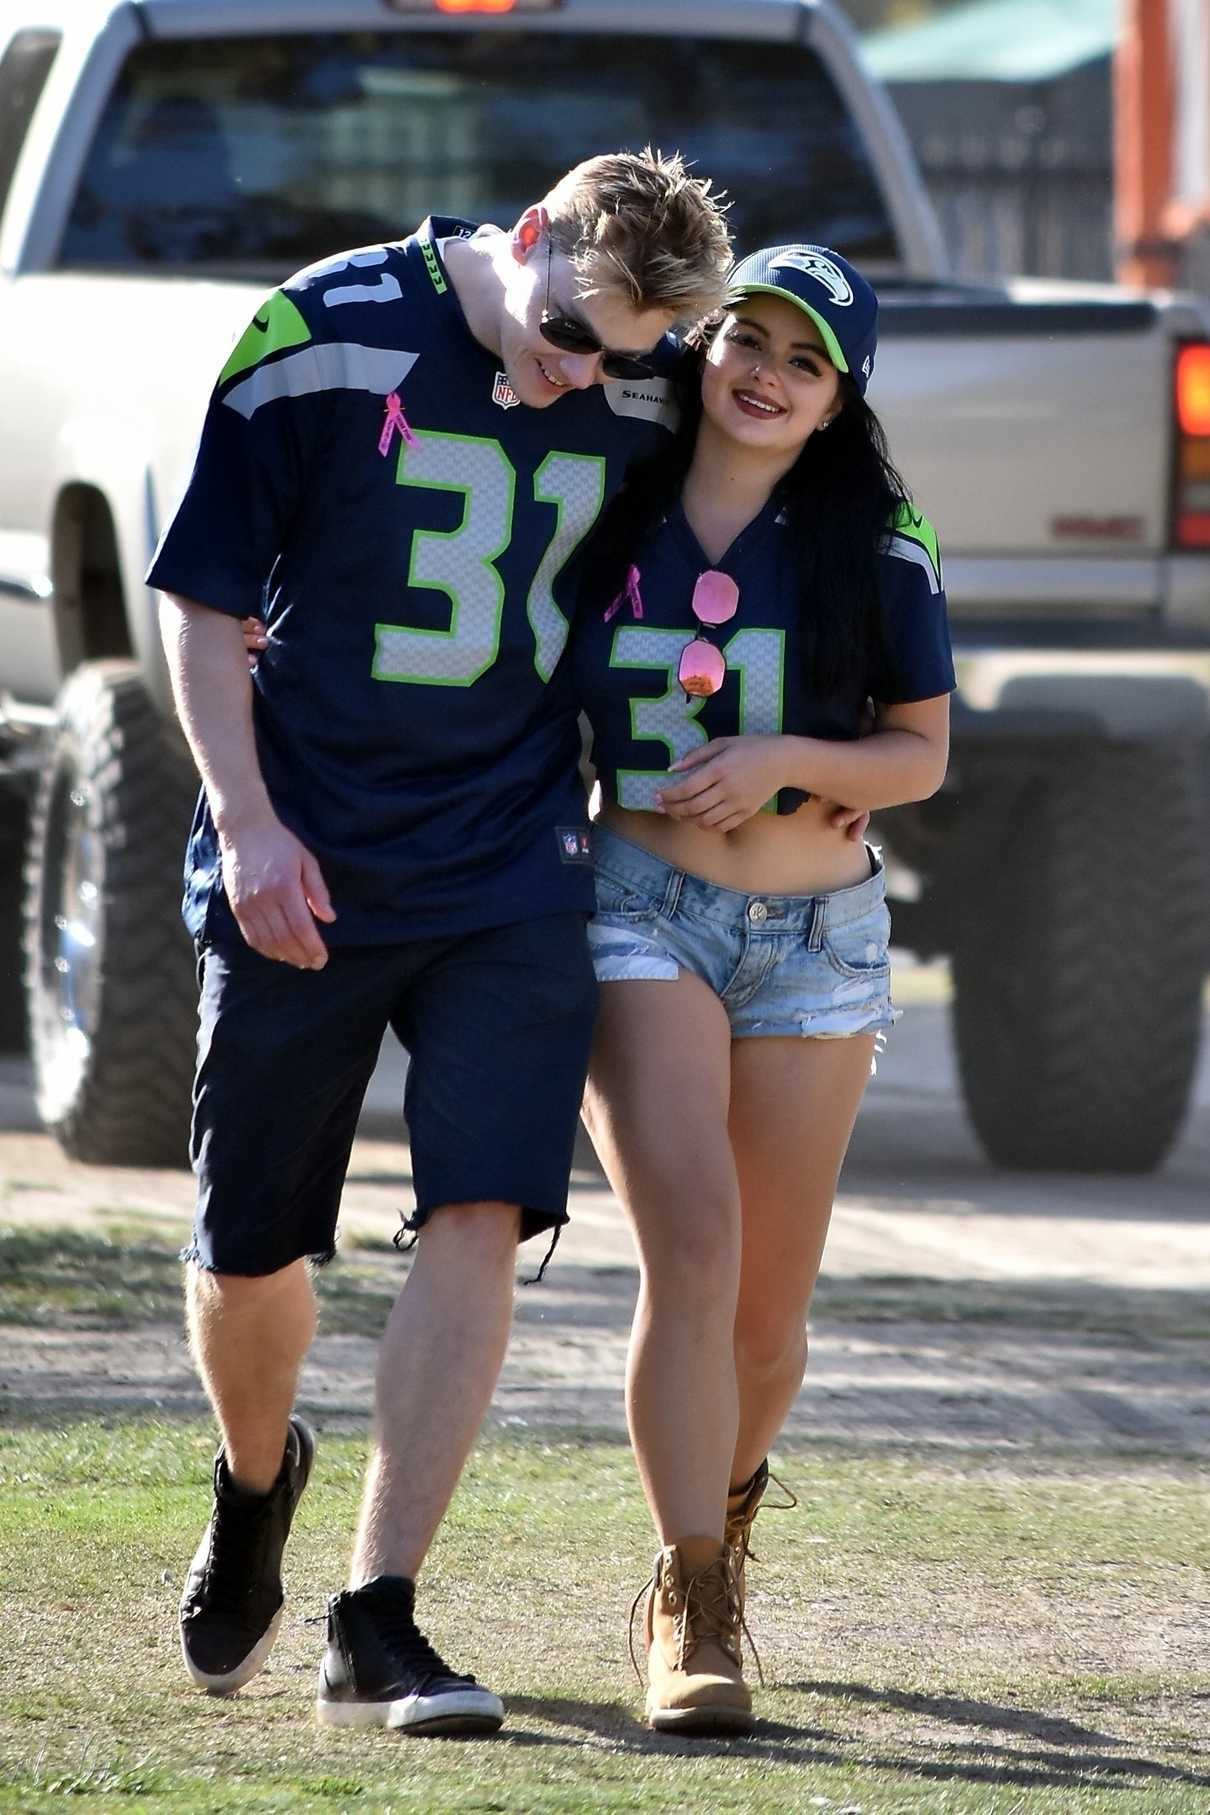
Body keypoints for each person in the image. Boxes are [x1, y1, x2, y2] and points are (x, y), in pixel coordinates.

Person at [148, 149, 733, 1737]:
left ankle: (376, 1610)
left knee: (481, 1203)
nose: (577, 377)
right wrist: (252, 822)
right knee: (252, 1248)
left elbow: (792, 487)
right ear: (527, 238)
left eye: (617, 357)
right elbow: (203, 606)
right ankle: (256, 1482)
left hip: (511, 853)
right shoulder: (319, 326)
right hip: (308, 849)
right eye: (563, 333)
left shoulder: (646, 376)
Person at [569, 243, 954, 1734]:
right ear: (704, 342)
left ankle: (723, 1525)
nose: (764, 372)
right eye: (747, 337)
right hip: (636, 908)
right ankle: (688, 1601)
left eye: (803, 358)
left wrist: (791, 759)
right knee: (697, 1247)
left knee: (767, 1325)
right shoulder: (601, 491)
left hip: (817, 941)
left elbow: (918, 755)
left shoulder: (878, 534)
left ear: (836, 394)